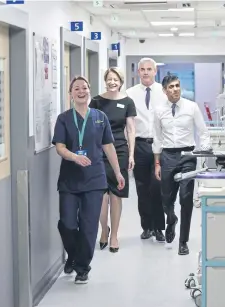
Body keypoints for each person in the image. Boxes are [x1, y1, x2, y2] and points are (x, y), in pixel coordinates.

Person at [52, 76, 125, 284]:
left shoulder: (100, 117)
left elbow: (108, 146)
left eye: (84, 87)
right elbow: (59, 147)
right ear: (71, 93)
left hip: (95, 179)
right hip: (70, 180)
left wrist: (118, 172)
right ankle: (73, 255)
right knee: (66, 224)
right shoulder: (64, 118)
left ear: (89, 90)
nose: (81, 91)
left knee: (88, 225)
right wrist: (74, 157)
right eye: (76, 88)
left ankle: (82, 267)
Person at [152, 75, 211, 255]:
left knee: (186, 200)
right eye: (171, 87)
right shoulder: (159, 110)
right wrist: (157, 163)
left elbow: (203, 131)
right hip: (168, 156)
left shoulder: (191, 107)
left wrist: (205, 148)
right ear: (164, 90)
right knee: (166, 199)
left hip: (187, 156)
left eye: (177, 86)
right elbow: (157, 137)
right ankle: (171, 220)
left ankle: (183, 242)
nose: (175, 89)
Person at [89, 68, 136, 253]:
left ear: (120, 81)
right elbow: (90, 127)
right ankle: (104, 230)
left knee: (116, 195)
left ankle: (114, 234)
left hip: (120, 150)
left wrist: (131, 154)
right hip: (99, 151)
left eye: (115, 79)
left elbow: (131, 130)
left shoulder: (127, 102)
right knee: (101, 196)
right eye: (109, 79)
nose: (112, 82)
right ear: (105, 81)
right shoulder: (97, 101)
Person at [126, 58, 166, 242]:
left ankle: (159, 227)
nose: (145, 72)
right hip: (140, 144)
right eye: (142, 69)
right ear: (138, 71)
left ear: (155, 71)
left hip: (160, 144)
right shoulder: (129, 93)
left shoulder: (164, 92)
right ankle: (147, 227)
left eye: (149, 69)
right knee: (142, 189)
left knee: (157, 187)